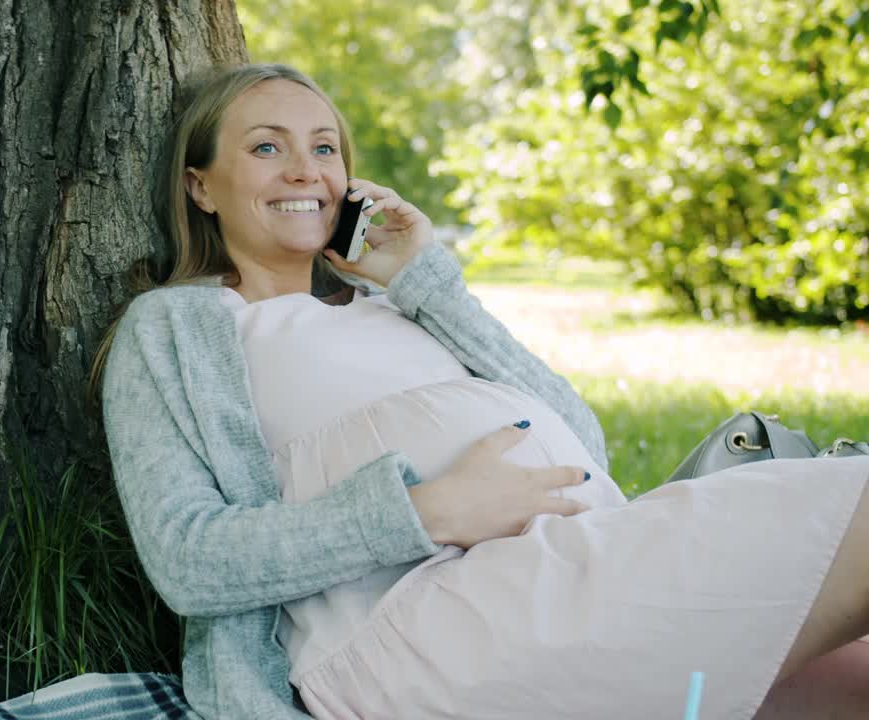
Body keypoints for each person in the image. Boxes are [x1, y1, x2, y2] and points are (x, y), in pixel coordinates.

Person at [96, 63, 869, 719]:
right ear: (201, 186)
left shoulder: (395, 304)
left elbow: (580, 436)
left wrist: (424, 282)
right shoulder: (178, 327)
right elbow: (190, 559)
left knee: (850, 675)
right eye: (268, 147)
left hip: (571, 569)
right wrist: (425, 513)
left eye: (324, 148)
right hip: (418, 633)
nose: (306, 171)